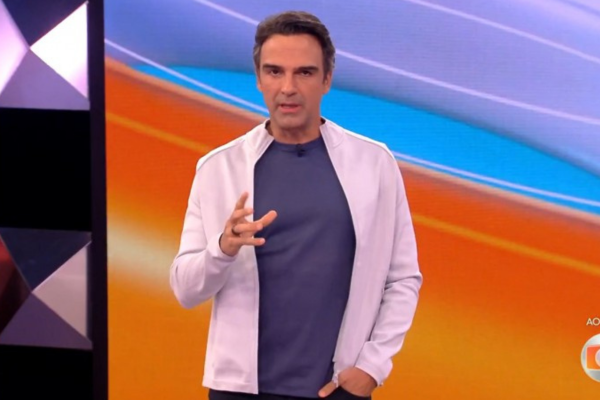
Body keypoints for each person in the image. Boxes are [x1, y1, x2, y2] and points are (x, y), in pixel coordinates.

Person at [170, 10, 422, 400]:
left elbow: (402, 279)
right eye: (274, 72)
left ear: (327, 79)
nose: (287, 87)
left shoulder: (374, 164)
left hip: (337, 389)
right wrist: (222, 248)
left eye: (304, 72)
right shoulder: (218, 168)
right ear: (258, 79)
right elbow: (186, 290)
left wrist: (372, 367)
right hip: (239, 390)